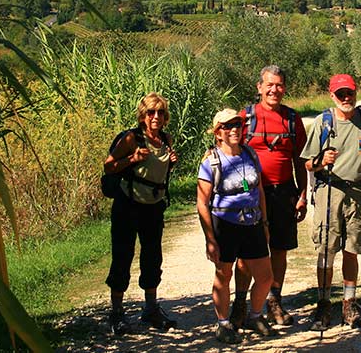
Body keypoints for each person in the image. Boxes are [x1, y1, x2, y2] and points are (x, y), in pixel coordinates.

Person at [301, 74, 361, 331]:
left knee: (352, 249)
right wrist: (322, 161)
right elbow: (308, 163)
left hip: (358, 193)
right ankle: (323, 304)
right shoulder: (323, 122)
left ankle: (349, 304)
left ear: (356, 93)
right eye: (340, 94)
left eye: (349, 93)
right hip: (329, 192)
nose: (346, 98)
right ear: (332, 95)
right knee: (326, 250)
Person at [230, 66, 307, 329]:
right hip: (250, 196)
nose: (275, 90)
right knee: (245, 253)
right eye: (270, 85)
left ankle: (274, 301)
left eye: (280, 85)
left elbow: (299, 160)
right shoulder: (246, 117)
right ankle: (240, 305)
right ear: (259, 87)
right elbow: (229, 151)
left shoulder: (293, 120)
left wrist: (303, 194)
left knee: (279, 250)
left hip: (283, 192)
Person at [197, 109, 277, 344]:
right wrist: (210, 239)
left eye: (238, 125)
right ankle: (223, 324)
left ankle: (254, 315)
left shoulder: (250, 154)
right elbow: (202, 202)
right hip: (225, 223)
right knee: (224, 274)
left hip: (252, 223)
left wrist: (264, 222)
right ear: (218, 133)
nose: (234, 130)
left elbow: (259, 190)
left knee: (265, 277)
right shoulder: (211, 161)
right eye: (228, 126)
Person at [103, 92, 178, 335]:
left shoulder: (165, 139)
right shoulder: (132, 138)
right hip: (128, 205)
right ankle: (116, 313)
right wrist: (133, 158)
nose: (155, 117)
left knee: (152, 258)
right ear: (142, 116)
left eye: (160, 113)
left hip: (153, 207)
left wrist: (171, 162)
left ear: (165, 117)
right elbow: (109, 165)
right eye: (150, 112)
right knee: (123, 257)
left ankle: (150, 309)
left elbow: (158, 169)